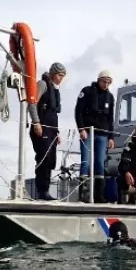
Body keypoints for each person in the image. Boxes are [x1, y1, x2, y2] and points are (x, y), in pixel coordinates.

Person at [27, 62, 67, 200]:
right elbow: (32, 103)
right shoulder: (42, 85)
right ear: (52, 73)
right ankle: (41, 190)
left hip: (51, 131)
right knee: (43, 158)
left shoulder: (56, 90)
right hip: (40, 128)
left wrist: (56, 133)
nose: (61, 78)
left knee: (51, 160)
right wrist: (36, 122)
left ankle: (46, 190)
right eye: (59, 75)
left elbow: (53, 114)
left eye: (63, 76)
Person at [74, 69, 115, 202]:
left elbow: (110, 118)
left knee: (100, 164)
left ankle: (99, 195)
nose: (106, 84)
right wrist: (81, 129)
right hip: (88, 132)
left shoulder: (110, 97)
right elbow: (78, 111)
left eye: (109, 82)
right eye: (104, 81)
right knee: (85, 162)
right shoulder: (86, 91)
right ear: (99, 80)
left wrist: (111, 137)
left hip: (102, 134)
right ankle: (83, 194)